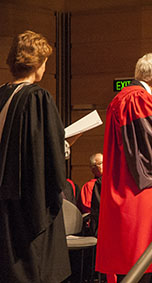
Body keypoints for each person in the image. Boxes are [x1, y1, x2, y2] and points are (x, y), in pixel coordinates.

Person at [95, 53, 152, 282]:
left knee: (128, 259)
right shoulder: (139, 98)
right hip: (136, 188)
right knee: (141, 256)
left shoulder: (121, 97)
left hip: (120, 180)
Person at [0, 30, 71, 282]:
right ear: (39, 63)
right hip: (29, 204)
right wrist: (66, 147)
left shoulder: (1, 94)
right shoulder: (38, 97)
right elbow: (50, 153)